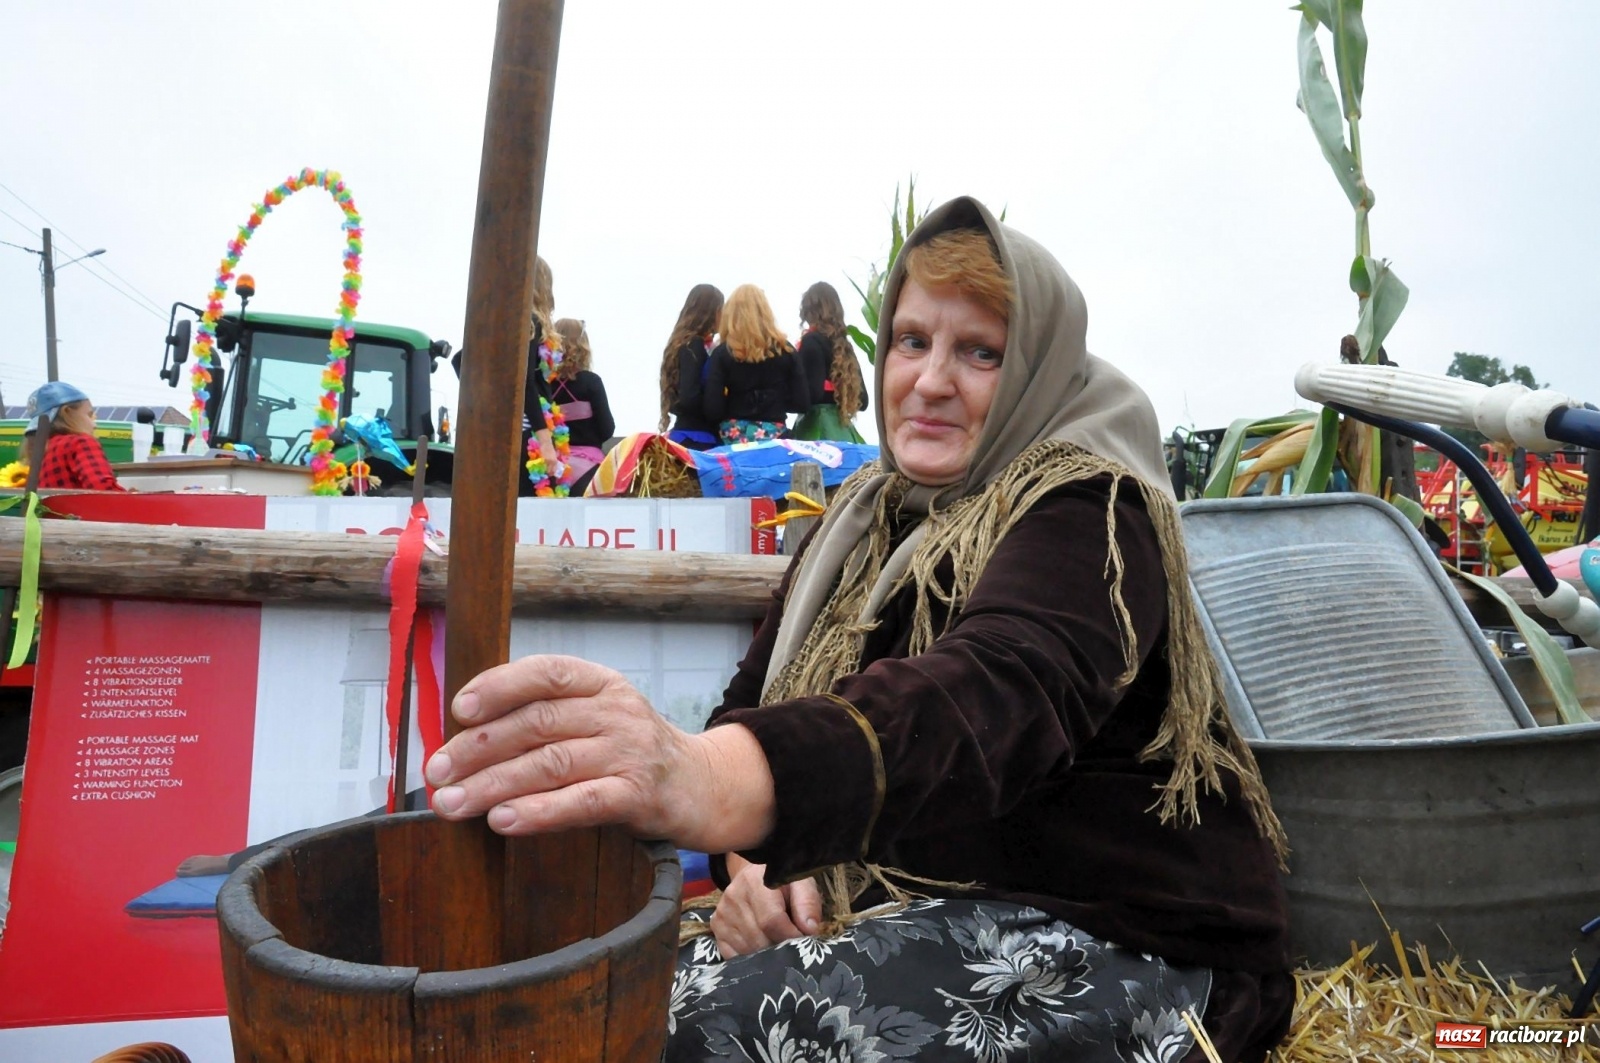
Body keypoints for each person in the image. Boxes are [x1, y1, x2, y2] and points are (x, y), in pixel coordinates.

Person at [424, 198, 1292, 1062]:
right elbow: (750, 701)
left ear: (1036, 365)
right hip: (894, 907)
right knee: (588, 1006)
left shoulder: (1089, 510)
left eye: (980, 352)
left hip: (1107, 930)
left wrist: (716, 779)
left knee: (691, 1034)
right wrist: (755, 865)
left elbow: (990, 693)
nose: (932, 379)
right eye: (912, 341)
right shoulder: (862, 517)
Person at [453, 255, 570, 495]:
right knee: (528, 506)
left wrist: (487, 401)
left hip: (500, 429)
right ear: (541, 284)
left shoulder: (500, 321)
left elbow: (460, 359)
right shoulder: (530, 321)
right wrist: (546, 443)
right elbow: (524, 383)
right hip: (529, 433)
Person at [702, 284, 808, 445]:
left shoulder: (722, 353)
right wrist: (775, 400)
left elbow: (712, 409)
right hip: (775, 437)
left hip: (732, 439)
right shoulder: (786, 350)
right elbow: (802, 402)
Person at [792, 280, 869, 443]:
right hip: (844, 431)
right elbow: (863, 401)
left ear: (809, 311)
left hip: (816, 429)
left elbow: (811, 395)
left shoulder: (811, 341)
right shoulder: (844, 345)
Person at [550, 317, 615, 494]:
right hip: (589, 467)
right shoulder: (591, 382)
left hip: (553, 467)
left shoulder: (545, 384)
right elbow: (607, 429)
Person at [659, 284, 725, 451]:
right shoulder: (694, 345)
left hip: (685, 432)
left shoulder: (681, 344)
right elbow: (689, 396)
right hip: (697, 438)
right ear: (712, 312)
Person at [29, 382, 127, 492]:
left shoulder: (42, 450)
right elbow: (104, 491)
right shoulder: (80, 443)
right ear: (67, 412)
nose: (95, 425)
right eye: (89, 415)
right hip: (82, 510)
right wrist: (133, 496)